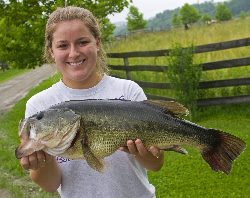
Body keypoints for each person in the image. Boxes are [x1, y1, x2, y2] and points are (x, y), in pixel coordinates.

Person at [19, 6, 164, 198]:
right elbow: (51, 185)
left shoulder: (128, 91)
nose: (74, 53)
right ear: (51, 51)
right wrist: (40, 162)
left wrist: (144, 153)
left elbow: (156, 164)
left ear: (97, 43)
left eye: (82, 42)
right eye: (63, 45)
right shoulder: (40, 105)